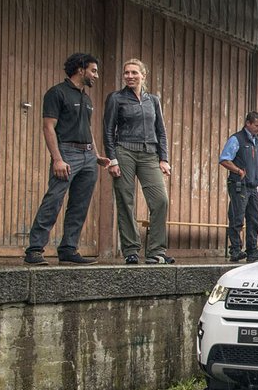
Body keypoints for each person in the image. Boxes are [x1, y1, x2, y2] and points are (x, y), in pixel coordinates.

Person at [24, 52, 110, 265]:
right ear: (81, 69)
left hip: (88, 157)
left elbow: (87, 128)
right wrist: (57, 159)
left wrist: (96, 154)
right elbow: (48, 127)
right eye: (93, 70)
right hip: (67, 153)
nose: (96, 76)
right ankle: (34, 250)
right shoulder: (57, 93)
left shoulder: (86, 98)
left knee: (79, 205)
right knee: (53, 200)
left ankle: (68, 249)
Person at [102, 58, 174, 264]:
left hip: (150, 154)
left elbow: (161, 131)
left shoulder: (153, 100)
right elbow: (108, 130)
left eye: (134, 72)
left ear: (144, 75)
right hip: (124, 151)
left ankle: (156, 251)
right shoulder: (116, 98)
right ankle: (131, 250)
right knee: (126, 200)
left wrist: (164, 158)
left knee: (160, 200)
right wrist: (112, 159)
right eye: (127, 73)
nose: (130, 76)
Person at [219, 111, 258, 262]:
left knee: (254, 219)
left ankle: (252, 250)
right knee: (237, 217)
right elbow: (224, 159)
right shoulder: (236, 139)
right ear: (248, 123)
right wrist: (238, 171)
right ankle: (235, 250)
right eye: (256, 125)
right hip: (239, 184)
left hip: (253, 186)